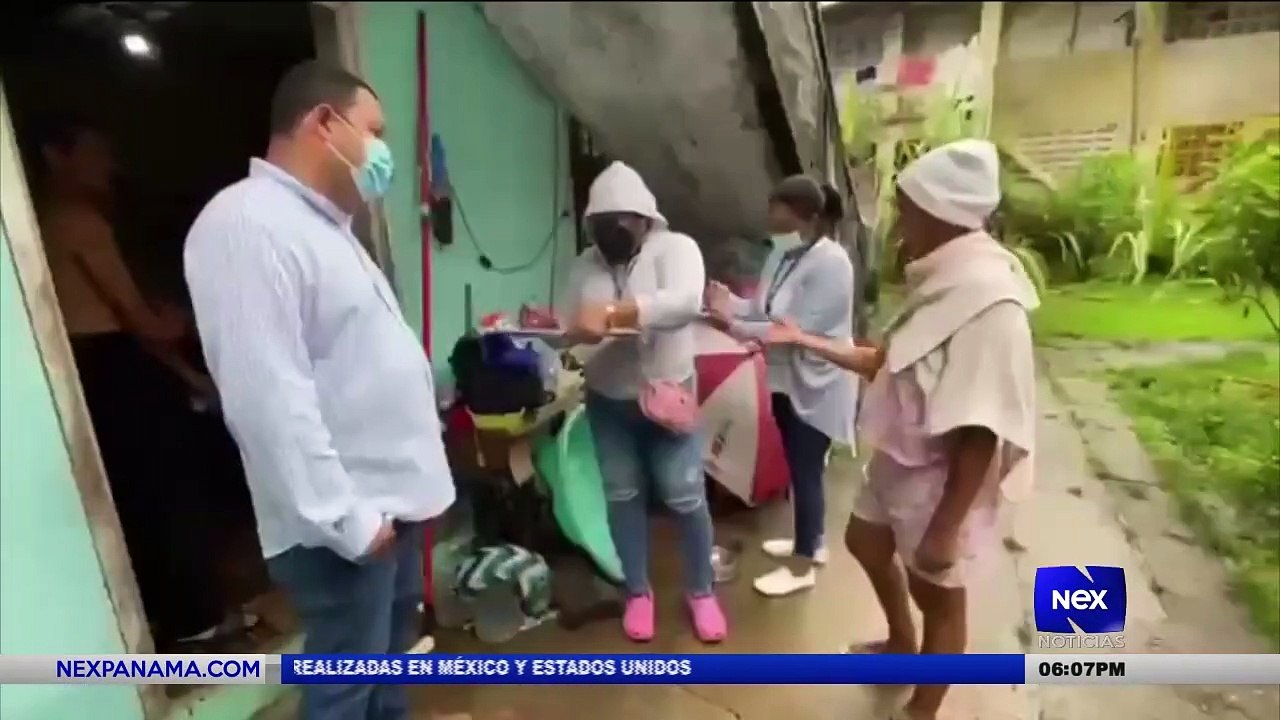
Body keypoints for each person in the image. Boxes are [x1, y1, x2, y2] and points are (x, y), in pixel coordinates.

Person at [184, 61, 455, 720]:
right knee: (345, 692)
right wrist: (350, 521)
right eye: (376, 130)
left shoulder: (324, 226)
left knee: (384, 677)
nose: (385, 151)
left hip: (390, 509)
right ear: (324, 123)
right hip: (347, 525)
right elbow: (266, 396)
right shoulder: (247, 225)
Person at [764, 140, 1039, 720]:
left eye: (908, 210)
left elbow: (984, 428)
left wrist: (947, 526)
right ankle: (899, 643)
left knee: (940, 597)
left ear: (941, 213)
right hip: (900, 458)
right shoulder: (944, 283)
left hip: (942, 482)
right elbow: (885, 361)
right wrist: (806, 341)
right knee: (864, 540)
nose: (898, 227)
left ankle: (923, 708)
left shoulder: (991, 301)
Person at [35, 118, 236, 649]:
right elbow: (142, 325)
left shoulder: (53, 223)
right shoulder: (77, 222)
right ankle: (197, 624)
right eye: (95, 153)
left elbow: (136, 332)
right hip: (111, 371)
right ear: (57, 156)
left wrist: (189, 373)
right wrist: (186, 321)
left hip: (106, 365)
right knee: (164, 496)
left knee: (145, 496)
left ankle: (182, 620)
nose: (109, 167)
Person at [562, 160, 727, 644]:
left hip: (668, 398)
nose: (611, 231)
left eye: (622, 221)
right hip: (608, 402)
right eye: (599, 223)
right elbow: (575, 327)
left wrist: (615, 314)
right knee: (622, 496)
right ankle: (638, 591)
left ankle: (701, 591)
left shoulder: (676, 249)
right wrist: (567, 334)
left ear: (644, 219)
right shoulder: (583, 265)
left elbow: (683, 302)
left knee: (684, 494)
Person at [705, 175, 857, 598]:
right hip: (786, 379)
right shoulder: (781, 256)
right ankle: (813, 541)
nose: (769, 218)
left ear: (805, 217)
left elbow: (792, 330)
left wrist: (730, 323)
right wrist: (726, 303)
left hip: (819, 381)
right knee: (797, 464)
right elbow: (760, 310)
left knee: (806, 469)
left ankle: (803, 565)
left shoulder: (833, 263)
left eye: (778, 210)